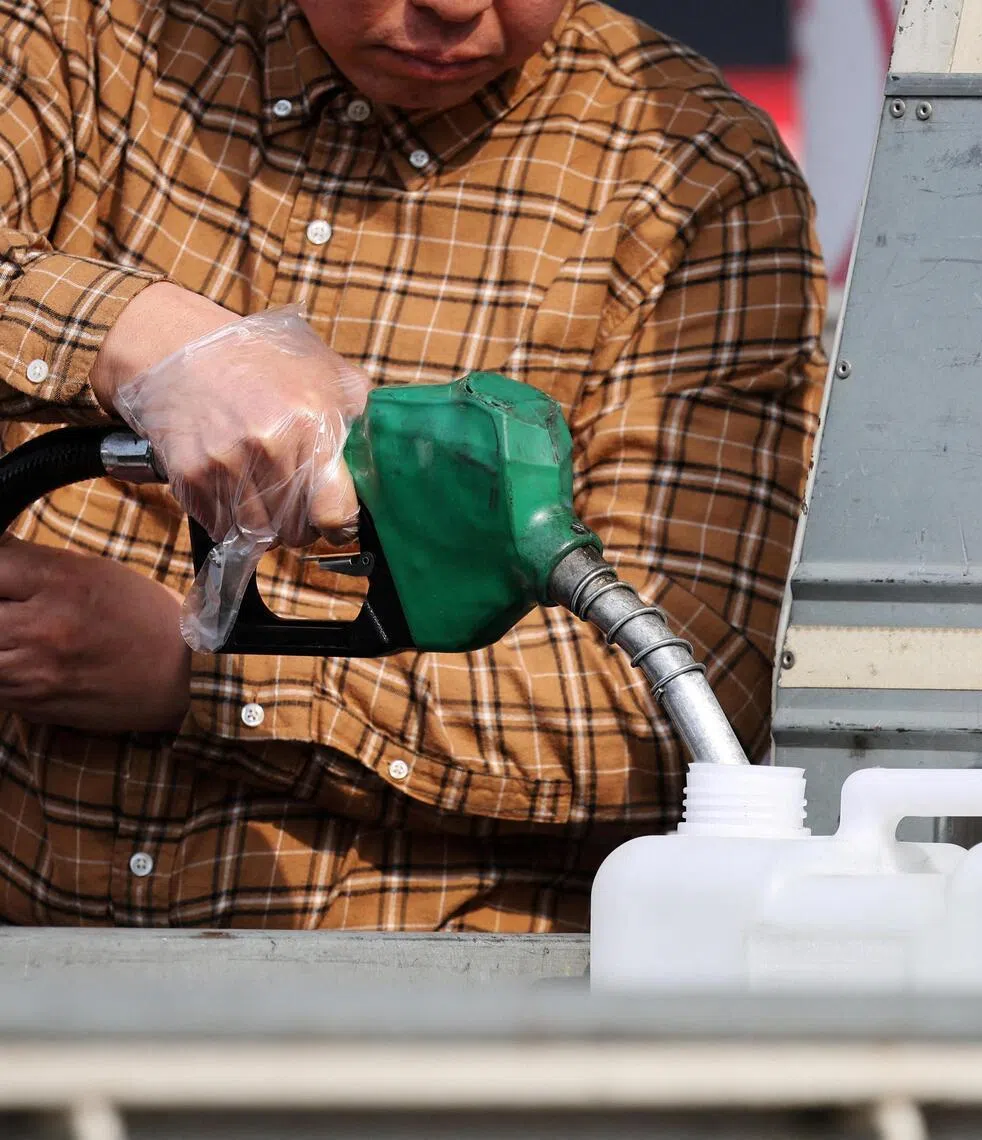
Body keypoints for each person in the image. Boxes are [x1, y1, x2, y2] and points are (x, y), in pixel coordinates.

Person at [0, 0, 825, 929]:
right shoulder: (77, 39)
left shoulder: (692, 175)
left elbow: (681, 708)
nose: (455, 6)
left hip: (422, 1029)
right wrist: (139, 333)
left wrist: (197, 676)